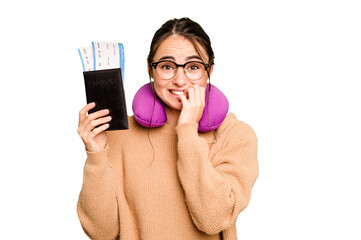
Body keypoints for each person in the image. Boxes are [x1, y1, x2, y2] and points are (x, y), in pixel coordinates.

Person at [77, 17, 258, 240]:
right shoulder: (119, 136)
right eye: (166, 66)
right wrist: (96, 154)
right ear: (150, 69)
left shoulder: (234, 135)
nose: (180, 80)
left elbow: (214, 219)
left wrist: (187, 130)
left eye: (193, 67)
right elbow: (101, 233)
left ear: (209, 69)